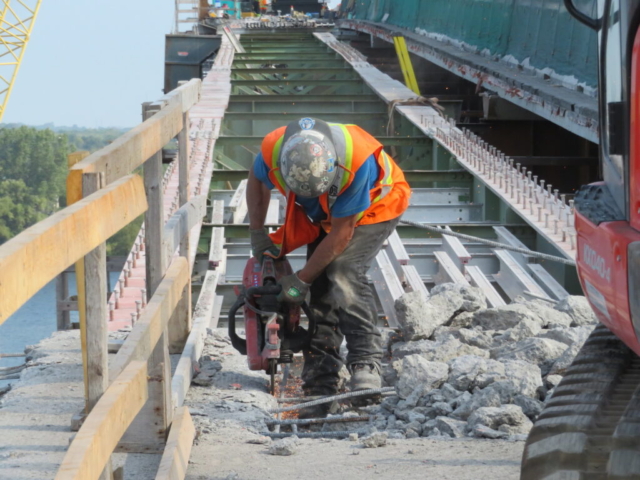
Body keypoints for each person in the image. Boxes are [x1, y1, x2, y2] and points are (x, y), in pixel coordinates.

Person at [247, 117, 410, 414]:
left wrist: (300, 281)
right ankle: (320, 383)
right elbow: (257, 179)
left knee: (342, 271)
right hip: (324, 213)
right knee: (321, 292)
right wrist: (257, 231)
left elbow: (341, 233)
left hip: (374, 205)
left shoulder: (357, 162)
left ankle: (365, 362)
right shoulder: (273, 150)